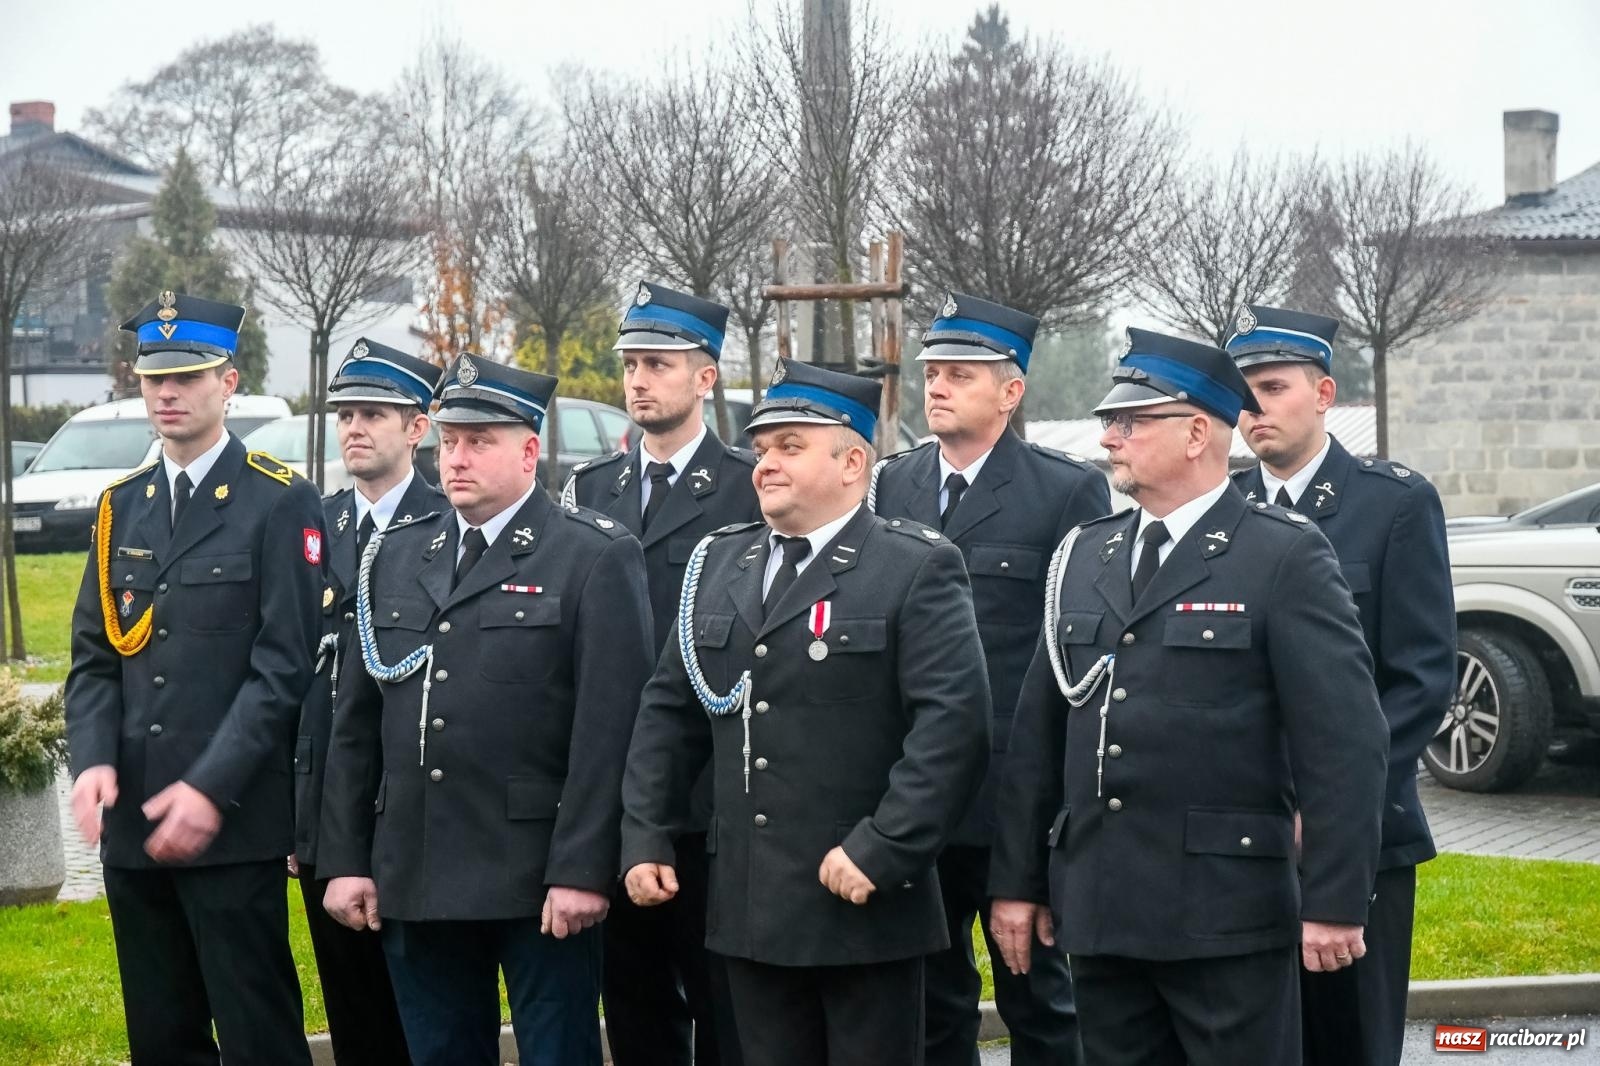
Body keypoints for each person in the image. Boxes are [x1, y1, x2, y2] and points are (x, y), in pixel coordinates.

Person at [989, 328, 1389, 1066]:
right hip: (1103, 905)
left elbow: (1344, 741)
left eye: (1131, 422)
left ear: (1198, 432)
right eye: (1110, 421)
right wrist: (1017, 881)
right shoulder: (1085, 553)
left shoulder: (1282, 554)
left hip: (1224, 912)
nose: (1109, 438)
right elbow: (1039, 733)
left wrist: (1334, 900)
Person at [622, 358, 992, 1066]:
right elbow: (668, 712)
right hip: (750, 903)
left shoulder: (912, 567)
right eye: (762, 450)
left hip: (861, 902)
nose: (765, 466)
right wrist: (644, 834)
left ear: (853, 461)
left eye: (791, 447)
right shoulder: (721, 566)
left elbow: (952, 728)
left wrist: (883, 849)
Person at [316, 354, 654, 1066]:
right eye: (449, 441)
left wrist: (583, 870)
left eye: (480, 441)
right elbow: (356, 728)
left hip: (536, 873)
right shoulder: (396, 556)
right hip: (418, 865)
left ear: (529, 451)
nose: (457, 459)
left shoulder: (591, 556)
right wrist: (347, 858)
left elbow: (608, 734)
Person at [64, 291, 325, 1066]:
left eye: (188, 377)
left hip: (232, 826)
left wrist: (210, 788)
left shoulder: (278, 501)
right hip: (135, 830)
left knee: (258, 1036)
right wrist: (93, 760)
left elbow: (284, 669)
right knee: (162, 1038)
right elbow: (92, 659)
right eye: (153, 380)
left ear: (229, 381)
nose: (168, 394)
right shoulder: (123, 509)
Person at [870, 292, 1107, 1066]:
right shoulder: (891, 485)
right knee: (931, 1003)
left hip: (1011, 795)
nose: (936, 387)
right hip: (915, 791)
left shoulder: (1064, 491)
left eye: (961, 374)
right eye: (933, 372)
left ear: (1011, 391)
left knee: (1036, 995)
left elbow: (1066, 659)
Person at [1227, 304, 1455, 1066]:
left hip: (1360, 835)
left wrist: (1330, 806)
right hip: (1245, 834)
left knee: (1349, 1037)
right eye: (1244, 392)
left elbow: (1421, 679)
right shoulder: (1223, 511)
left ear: (1324, 394)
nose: (1253, 409)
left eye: (1273, 387)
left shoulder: (1391, 504)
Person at [563, 280, 758, 1066]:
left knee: (726, 1008)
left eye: (658, 364)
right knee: (635, 1007)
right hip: (616, 790)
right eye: (631, 364)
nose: (637, 380)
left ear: (705, 377)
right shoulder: (590, 490)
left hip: (712, 791)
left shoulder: (749, 486)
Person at [292, 337, 446, 1065]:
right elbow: (288, 678)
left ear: (418, 427)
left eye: (374, 414)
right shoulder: (311, 530)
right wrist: (298, 821)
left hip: (420, 814)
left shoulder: (451, 528)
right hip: (328, 813)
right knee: (355, 1022)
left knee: (430, 1019)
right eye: (346, 413)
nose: (354, 427)